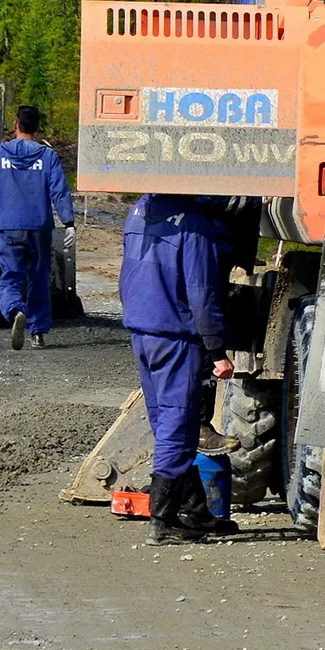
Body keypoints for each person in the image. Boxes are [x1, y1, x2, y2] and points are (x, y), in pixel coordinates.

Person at [119, 193, 239, 545]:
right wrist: (217, 349)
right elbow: (202, 293)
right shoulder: (194, 223)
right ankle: (163, 522)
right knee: (178, 423)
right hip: (174, 335)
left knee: (164, 421)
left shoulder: (139, 210)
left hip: (142, 330)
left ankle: (195, 512)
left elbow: (128, 272)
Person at [0, 105, 75, 350]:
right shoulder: (47, 156)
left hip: (7, 226)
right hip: (39, 226)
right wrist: (69, 222)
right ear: (37, 128)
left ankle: (15, 310)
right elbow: (59, 191)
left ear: (15, 125)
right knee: (38, 278)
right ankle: (38, 332)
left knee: (11, 275)